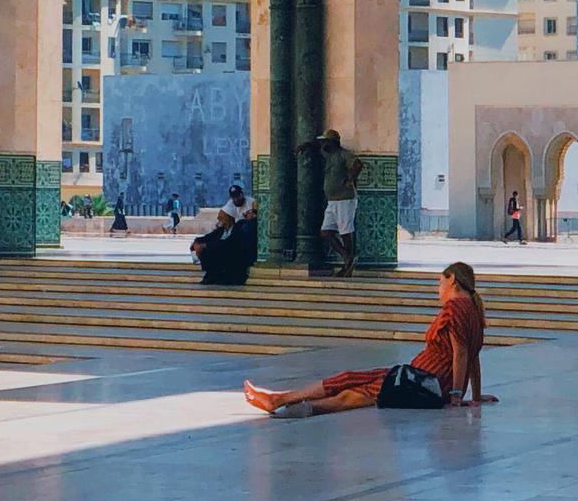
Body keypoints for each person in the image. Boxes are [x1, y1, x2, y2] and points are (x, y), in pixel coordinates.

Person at [244, 262, 493, 417]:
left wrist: (457, 396)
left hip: (421, 379)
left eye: (440, 282)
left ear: (452, 280)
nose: (438, 288)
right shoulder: (473, 310)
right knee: (362, 390)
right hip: (426, 380)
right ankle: (295, 407)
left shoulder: (455, 307)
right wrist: (476, 394)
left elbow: (462, 353)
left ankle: (282, 400)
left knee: (353, 382)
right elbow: (473, 357)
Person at [193, 184, 258, 287]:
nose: (236, 199)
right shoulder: (225, 222)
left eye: (222, 218)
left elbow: (228, 242)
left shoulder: (249, 207)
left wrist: (207, 245)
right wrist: (197, 242)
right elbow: (211, 236)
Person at [318, 130, 363, 277]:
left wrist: (350, 177)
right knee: (326, 232)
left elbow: (357, 164)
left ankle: (347, 264)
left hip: (345, 199)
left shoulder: (343, 154)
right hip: (333, 201)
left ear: (333, 142)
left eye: (326, 141)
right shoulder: (329, 156)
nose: (324, 144)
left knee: (345, 232)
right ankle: (347, 257)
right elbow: (316, 146)